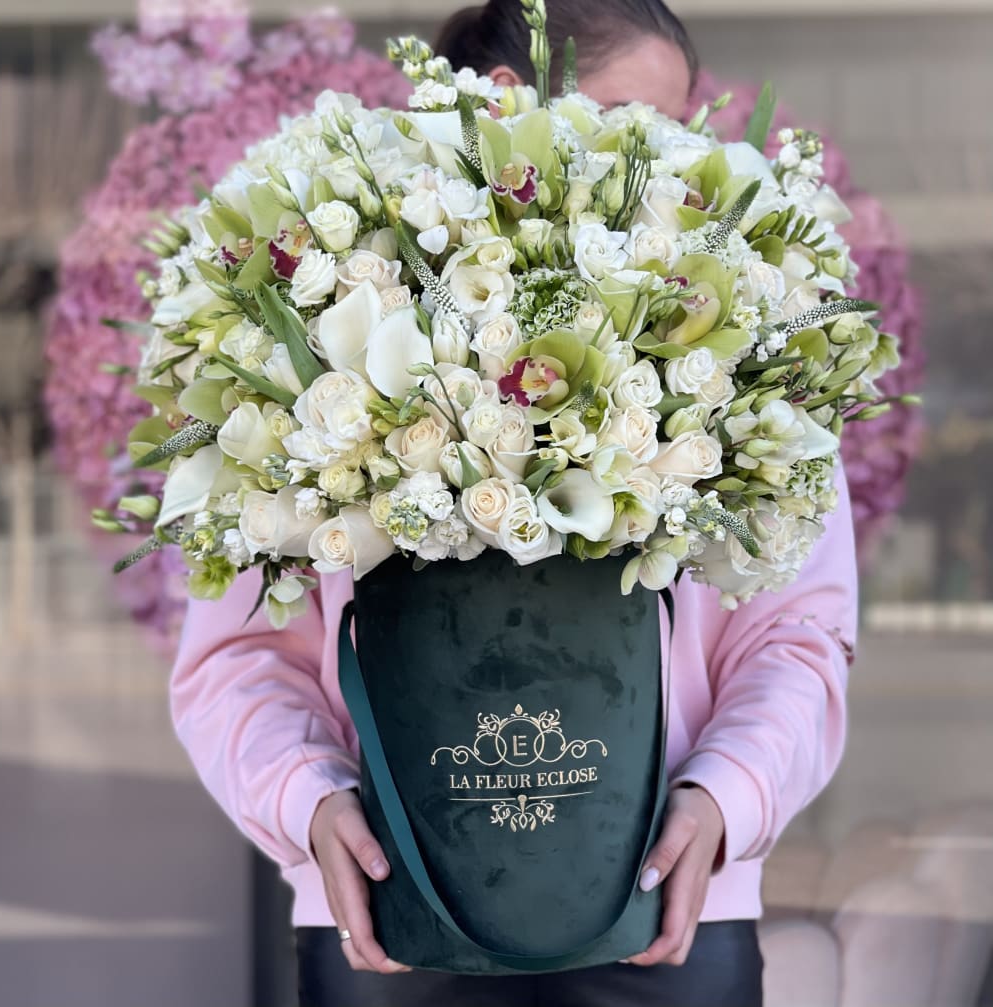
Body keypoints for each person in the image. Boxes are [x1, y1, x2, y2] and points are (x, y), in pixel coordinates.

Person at [168, 3, 859, 1005]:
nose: (665, 163)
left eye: (677, 128)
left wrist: (725, 797)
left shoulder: (740, 329)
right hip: (391, 916)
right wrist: (307, 803)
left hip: (668, 916)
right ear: (504, 100)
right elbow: (236, 653)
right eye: (633, 123)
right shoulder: (316, 323)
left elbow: (795, 635)